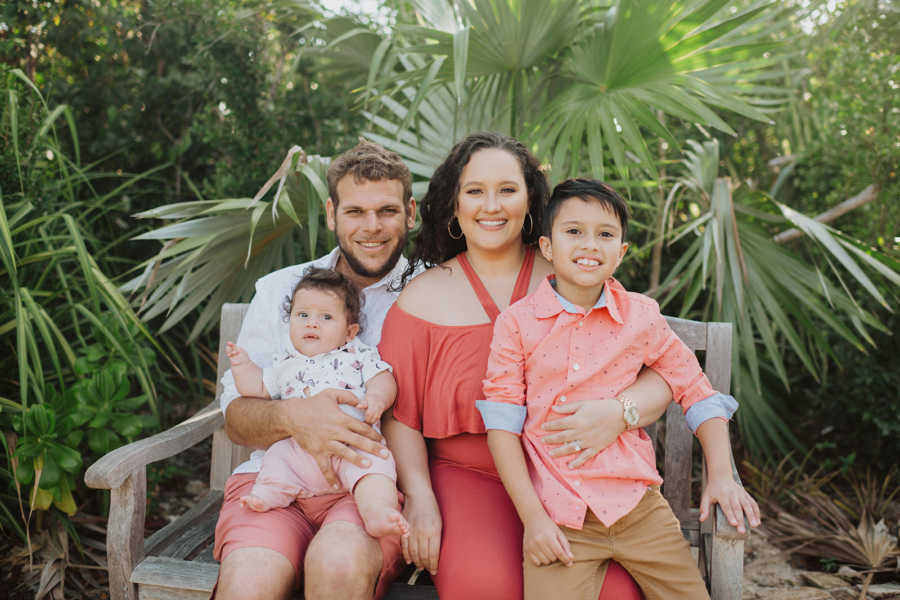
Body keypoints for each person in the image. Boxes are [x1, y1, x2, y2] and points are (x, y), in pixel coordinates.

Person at [378, 133, 735, 600]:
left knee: (618, 596)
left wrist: (618, 413)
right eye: (474, 191)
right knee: (485, 588)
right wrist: (421, 499)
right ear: (454, 204)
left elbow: (665, 366)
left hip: (576, 473)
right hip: (471, 477)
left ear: (531, 202)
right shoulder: (421, 298)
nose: (492, 205)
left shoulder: (574, 269)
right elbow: (400, 415)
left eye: (507, 189)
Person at [479, 178, 761, 599]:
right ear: (547, 247)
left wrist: (721, 474)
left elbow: (696, 389)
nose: (590, 245)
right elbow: (502, 425)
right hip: (562, 517)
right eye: (574, 231)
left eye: (606, 234)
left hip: (640, 510)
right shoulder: (517, 324)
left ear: (621, 252)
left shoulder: (641, 318)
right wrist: (534, 518)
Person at [213, 140, 417, 600]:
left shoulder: (432, 294)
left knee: (339, 568)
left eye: (387, 210)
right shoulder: (282, 290)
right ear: (330, 213)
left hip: (369, 486)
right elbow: (237, 417)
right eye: (354, 211)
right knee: (249, 583)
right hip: (276, 475)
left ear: (411, 212)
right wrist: (294, 418)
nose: (372, 227)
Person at [225, 267, 409, 540]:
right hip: (299, 449)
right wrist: (243, 366)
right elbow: (258, 390)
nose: (312, 323)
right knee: (277, 459)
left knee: (376, 469)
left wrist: (376, 398)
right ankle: (268, 495)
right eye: (303, 315)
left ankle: (377, 512)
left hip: (354, 446)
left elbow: (382, 378)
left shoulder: (357, 354)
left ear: (350, 331)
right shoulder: (284, 362)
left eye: (325, 317)